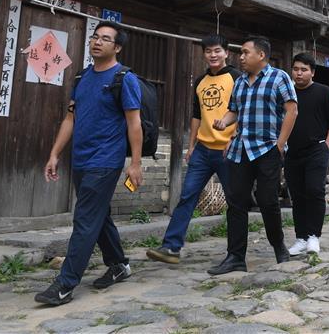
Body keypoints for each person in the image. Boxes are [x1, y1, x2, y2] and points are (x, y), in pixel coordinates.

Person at [35, 21, 142, 306]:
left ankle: (65, 284)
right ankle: (119, 264)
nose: (97, 42)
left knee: (84, 220)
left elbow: (134, 124)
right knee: (97, 216)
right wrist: (55, 153)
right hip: (80, 159)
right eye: (95, 37)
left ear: (117, 47)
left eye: (105, 39)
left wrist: (135, 163)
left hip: (105, 160)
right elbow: (71, 119)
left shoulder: (124, 79)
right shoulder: (82, 78)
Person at [146, 34, 240, 265]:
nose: (213, 55)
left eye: (217, 50)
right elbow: (197, 115)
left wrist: (235, 137)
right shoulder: (200, 81)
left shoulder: (237, 77)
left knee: (235, 201)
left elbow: (245, 110)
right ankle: (171, 247)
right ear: (204, 54)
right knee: (187, 196)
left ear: (226, 52)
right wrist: (191, 146)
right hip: (203, 150)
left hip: (228, 151)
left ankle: (236, 252)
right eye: (208, 51)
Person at [208, 37, 298, 274]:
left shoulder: (279, 77)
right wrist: (223, 122)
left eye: (246, 53)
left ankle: (279, 247)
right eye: (241, 53)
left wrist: (280, 144)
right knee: (236, 202)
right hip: (240, 149)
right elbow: (233, 112)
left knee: (268, 201)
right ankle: (235, 256)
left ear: (261, 55)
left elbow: (292, 111)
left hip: (268, 148)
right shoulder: (239, 82)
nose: (241, 56)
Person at [285, 52, 329, 256]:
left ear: (312, 72)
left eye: (304, 70)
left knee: (315, 190)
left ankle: (313, 236)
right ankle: (300, 238)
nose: (299, 73)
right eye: (296, 69)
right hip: (291, 152)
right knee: (297, 195)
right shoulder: (287, 93)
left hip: (316, 150)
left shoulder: (324, 92)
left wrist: (326, 146)